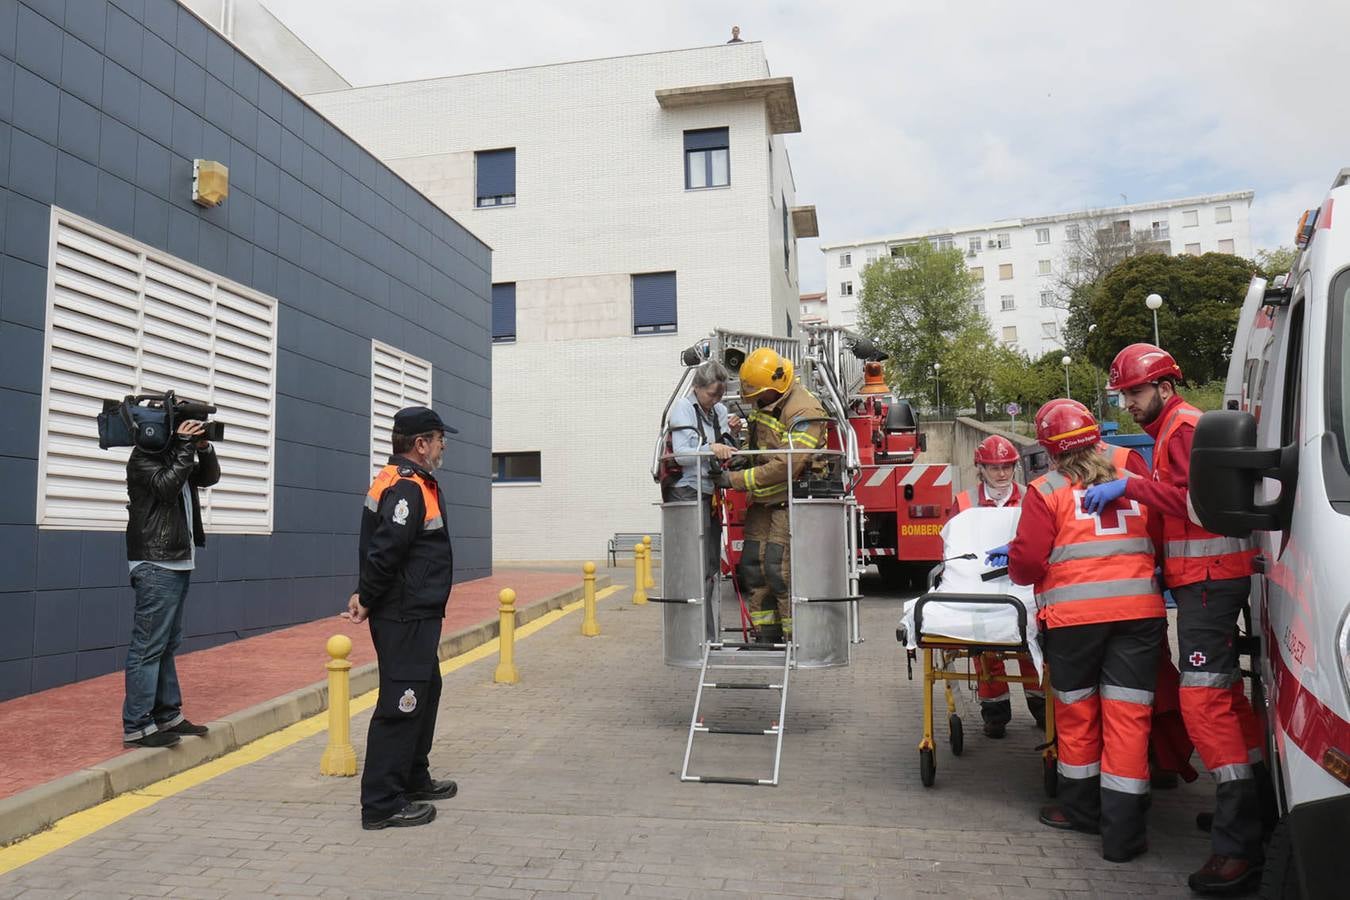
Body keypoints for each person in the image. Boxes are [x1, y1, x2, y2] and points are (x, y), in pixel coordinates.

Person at [1085, 343, 1265, 894]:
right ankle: (1254, 810)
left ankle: (1238, 847)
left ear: (1165, 387)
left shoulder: (1183, 428)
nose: (1129, 403)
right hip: (1204, 581)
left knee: (1203, 701)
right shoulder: (1171, 430)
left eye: (1136, 392)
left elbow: (1200, 505)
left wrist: (1131, 487)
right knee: (1227, 698)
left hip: (1210, 581)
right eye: (1123, 395)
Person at [989, 400, 1165, 863]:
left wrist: (1024, 558)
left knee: (1078, 713)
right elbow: (1161, 530)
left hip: (1074, 624)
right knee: (1129, 717)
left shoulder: (1045, 489)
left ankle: (1081, 811)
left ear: (1047, 448)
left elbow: (1025, 567)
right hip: (1139, 616)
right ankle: (1125, 832)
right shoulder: (1130, 468)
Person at [344, 406, 459, 830]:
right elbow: (386, 549)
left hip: (417, 610)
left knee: (427, 688)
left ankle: (413, 777)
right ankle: (382, 802)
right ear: (420, 444)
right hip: (404, 612)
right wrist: (368, 597)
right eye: (439, 437)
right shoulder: (407, 487)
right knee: (402, 701)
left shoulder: (411, 482)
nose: (444, 444)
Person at [123, 418, 221, 748]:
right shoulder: (142, 458)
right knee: (148, 646)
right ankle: (137, 723)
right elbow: (165, 488)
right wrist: (182, 447)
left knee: (166, 644)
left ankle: (167, 714)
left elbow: (208, 478)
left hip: (177, 560)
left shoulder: (176, 458)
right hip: (155, 562)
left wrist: (203, 449)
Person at [721, 348, 826, 644]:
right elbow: (764, 448)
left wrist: (736, 479)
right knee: (753, 566)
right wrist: (741, 456)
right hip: (763, 502)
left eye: (758, 395)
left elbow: (787, 463)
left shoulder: (804, 411)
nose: (753, 401)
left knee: (779, 569)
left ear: (775, 386)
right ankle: (766, 634)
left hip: (789, 502)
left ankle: (795, 638)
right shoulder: (769, 402)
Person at [949, 434, 1044, 738]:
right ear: (981, 468)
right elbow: (953, 546)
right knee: (986, 651)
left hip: (1023, 583)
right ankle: (995, 712)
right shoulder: (965, 502)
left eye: (1007, 467)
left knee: (1030, 646)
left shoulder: (1032, 497)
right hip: (979, 583)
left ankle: (1041, 704)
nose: (1001, 474)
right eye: (994, 468)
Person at [667, 362, 741, 609]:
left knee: (710, 563)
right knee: (693, 563)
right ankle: (694, 631)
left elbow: (729, 449)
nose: (716, 400)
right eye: (711, 394)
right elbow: (682, 455)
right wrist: (710, 448)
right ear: (697, 387)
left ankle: (708, 632)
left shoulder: (719, 411)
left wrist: (734, 435)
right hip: (687, 491)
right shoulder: (683, 409)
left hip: (709, 492)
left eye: (720, 395)